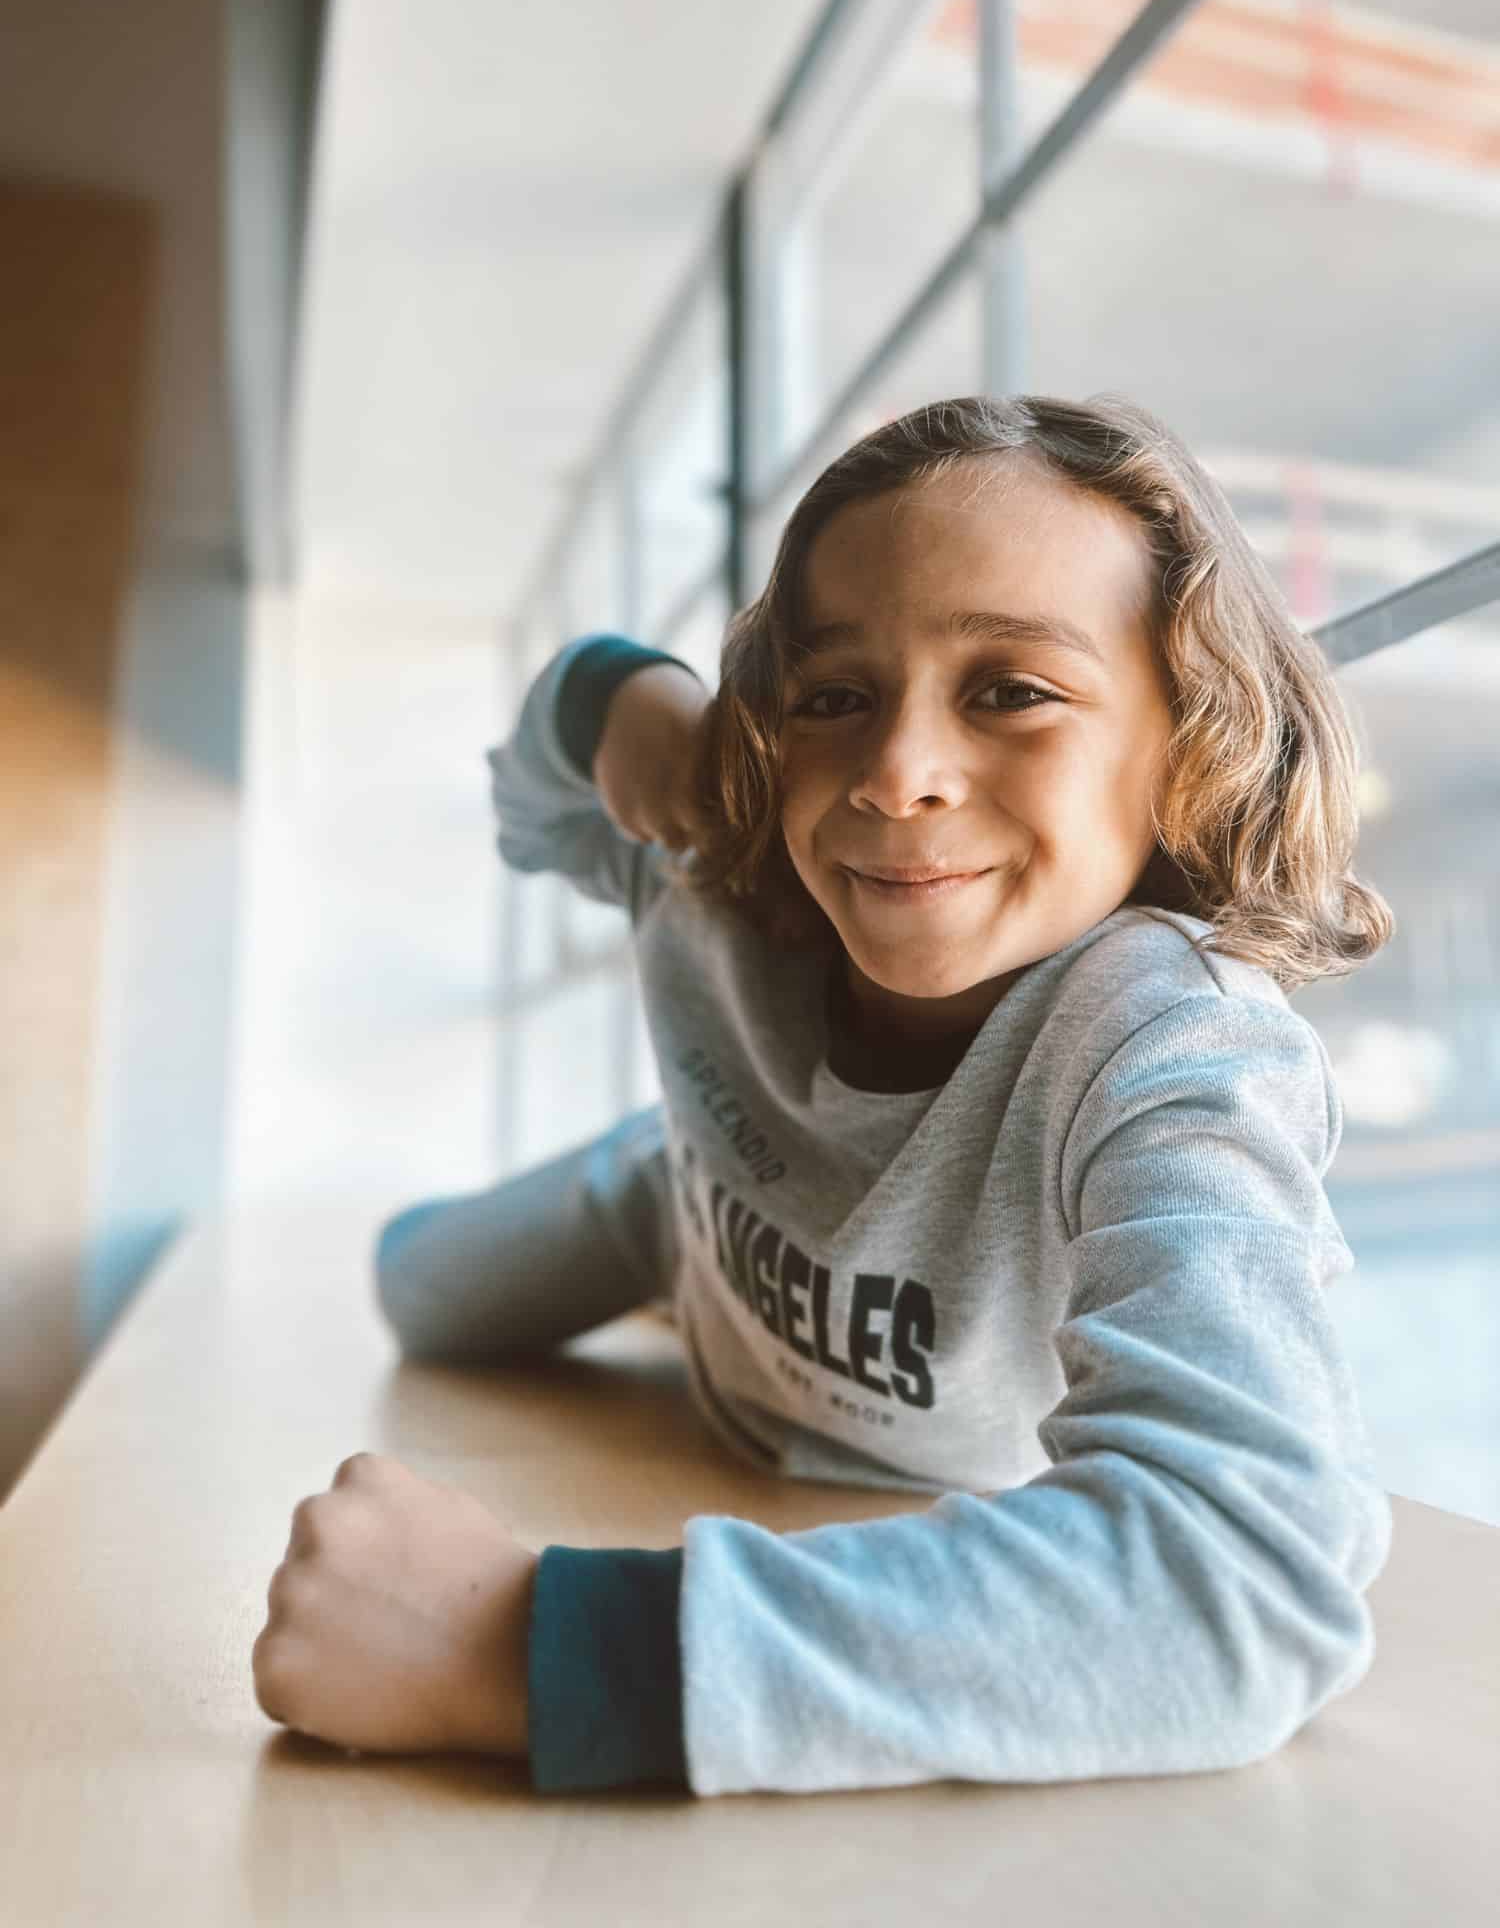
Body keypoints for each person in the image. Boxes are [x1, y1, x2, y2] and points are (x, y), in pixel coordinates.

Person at [251, 392, 1396, 1798]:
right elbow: (537, 810)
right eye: (833, 697)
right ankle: (665, 1167)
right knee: (415, 1291)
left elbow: (1241, 1578)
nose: (897, 772)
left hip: (854, 1396)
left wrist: (524, 1646)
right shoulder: (724, 879)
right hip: (690, 1209)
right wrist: (620, 698)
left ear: (1187, 737)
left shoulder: (1178, 1048)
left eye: (1012, 690)